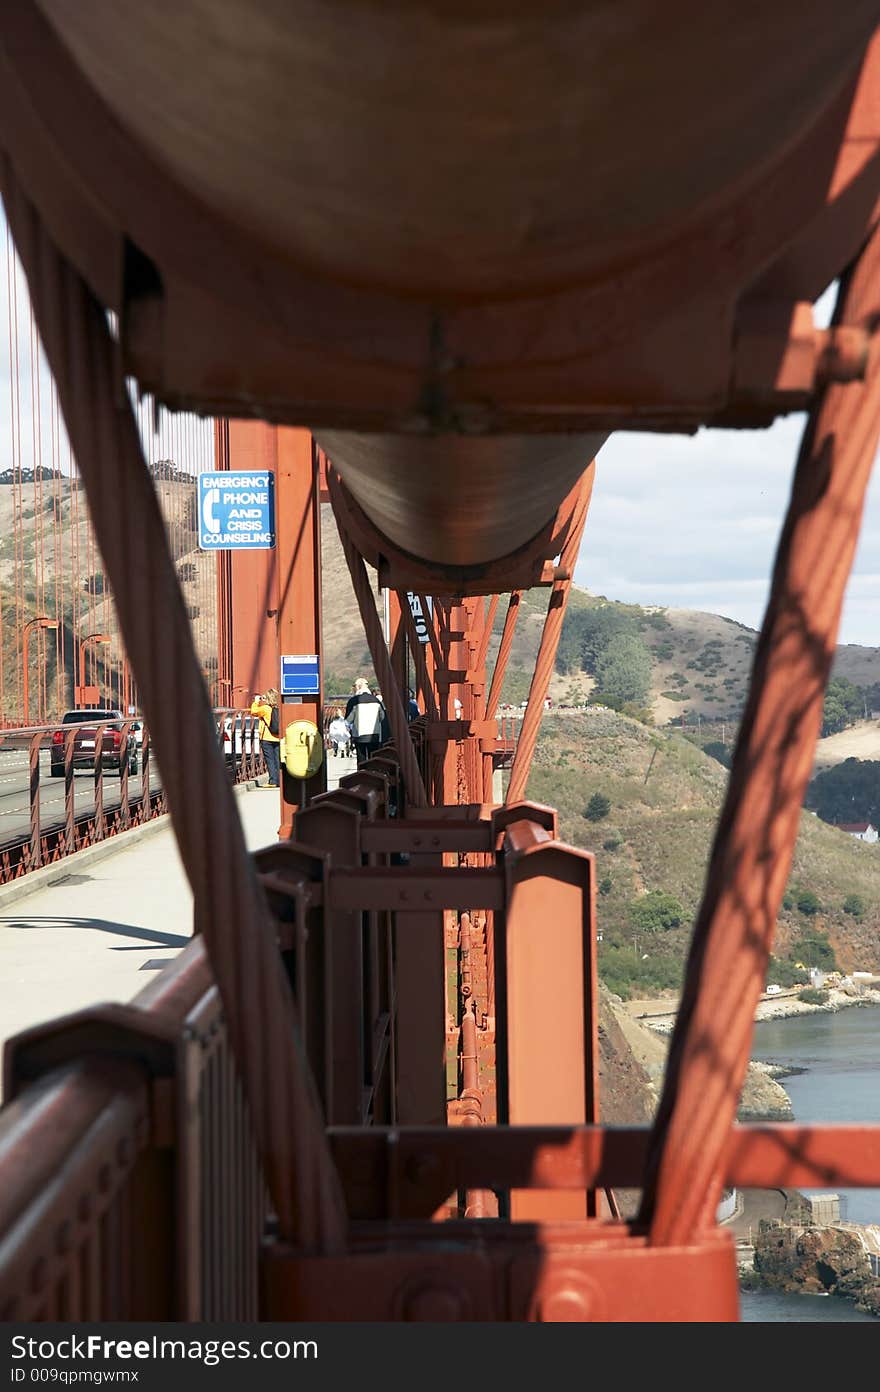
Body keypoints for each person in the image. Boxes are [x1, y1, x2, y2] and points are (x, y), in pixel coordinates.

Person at [345, 677, 384, 765]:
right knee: (373, 759)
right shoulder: (376, 700)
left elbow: (348, 720)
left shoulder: (354, 701)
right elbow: (382, 716)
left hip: (360, 735)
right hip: (375, 734)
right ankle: (374, 775)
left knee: (361, 760)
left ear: (358, 687)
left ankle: (362, 776)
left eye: (354, 686)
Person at [250, 688, 281, 787]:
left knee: (270, 760)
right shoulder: (280, 707)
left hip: (267, 738)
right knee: (278, 759)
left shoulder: (265, 708)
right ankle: (280, 780)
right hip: (278, 737)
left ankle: (273, 781)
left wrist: (256, 702)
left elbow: (253, 712)